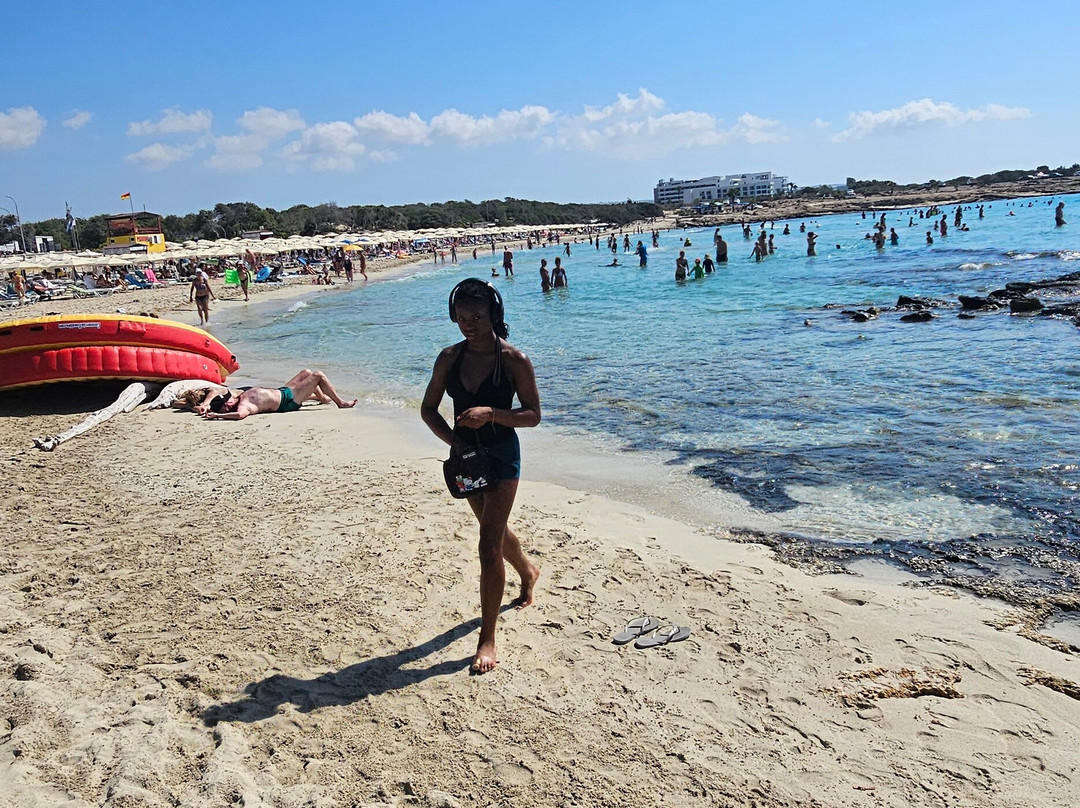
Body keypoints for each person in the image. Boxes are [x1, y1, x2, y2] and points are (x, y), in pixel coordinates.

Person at [420, 279, 542, 674]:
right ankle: (528, 570)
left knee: (488, 542)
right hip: (468, 458)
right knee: (495, 529)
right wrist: (455, 442)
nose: (468, 324)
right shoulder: (449, 358)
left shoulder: (513, 360)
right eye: (461, 318)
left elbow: (532, 415)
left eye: (476, 316)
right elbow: (428, 409)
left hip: (502, 454)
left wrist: (490, 413)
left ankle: (487, 638)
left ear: (494, 315)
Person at [203, 369, 357, 420]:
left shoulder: (236, 398)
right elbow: (239, 416)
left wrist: (206, 406)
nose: (229, 400)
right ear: (225, 408)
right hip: (288, 401)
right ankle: (341, 403)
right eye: (226, 403)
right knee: (318, 375)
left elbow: (217, 390)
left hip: (283, 391)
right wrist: (218, 415)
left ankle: (323, 398)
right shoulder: (242, 406)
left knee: (306, 373)